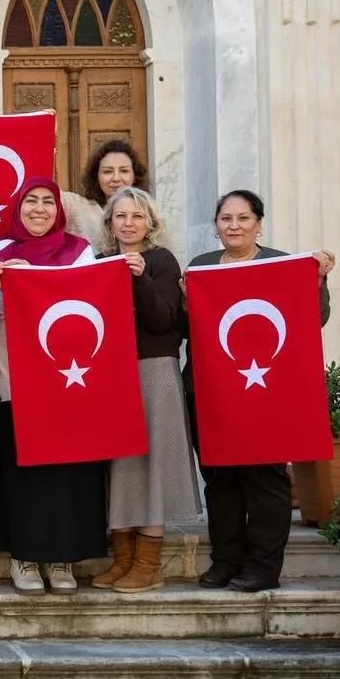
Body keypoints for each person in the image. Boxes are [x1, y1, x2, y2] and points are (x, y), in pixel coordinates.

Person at [183, 190, 336, 593]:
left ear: (258, 224)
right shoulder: (199, 267)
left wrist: (318, 279)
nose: (234, 226)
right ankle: (225, 561)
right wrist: (184, 300)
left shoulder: (281, 264)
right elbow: (185, 328)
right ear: (216, 226)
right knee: (220, 479)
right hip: (209, 392)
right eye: (226, 219)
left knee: (264, 479)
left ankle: (263, 567)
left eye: (243, 218)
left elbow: (314, 318)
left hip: (265, 393)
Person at [0, 177, 108, 594]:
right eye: (30, 201)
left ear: (58, 210)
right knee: (22, 472)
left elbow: (89, 304)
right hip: (12, 377)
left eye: (47, 202)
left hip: (65, 378)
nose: (39, 209)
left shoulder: (80, 251)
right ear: (17, 210)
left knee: (65, 472)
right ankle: (25, 557)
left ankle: (62, 558)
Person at [89, 187, 200, 593]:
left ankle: (149, 564)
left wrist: (140, 279)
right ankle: (123, 558)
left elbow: (163, 321)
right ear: (109, 223)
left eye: (137, 216)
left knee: (152, 460)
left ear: (149, 223)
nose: (129, 223)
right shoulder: (98, 260)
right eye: (121, 216)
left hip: (154, 369)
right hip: (111, 373)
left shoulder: (160, 260)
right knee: (120, 463)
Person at [62, 139, 149, 248]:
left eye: (124, 171)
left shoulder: (148, 211)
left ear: (135, 176)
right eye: (108, 171)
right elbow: (46, 193)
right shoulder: (76, 206)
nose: (116, 178)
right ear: (96, 176)